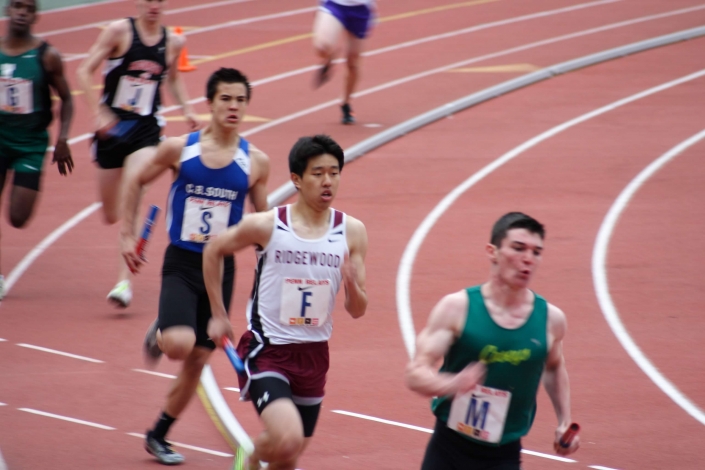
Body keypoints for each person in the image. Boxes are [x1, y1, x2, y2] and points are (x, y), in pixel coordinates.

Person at [120, 68, 269, 465]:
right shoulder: (179, 149)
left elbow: (263, 221)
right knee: (180, 345)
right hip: (183, 262)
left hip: (222, 269)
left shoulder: (255, 161)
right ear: (211, 103)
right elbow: (136, 179)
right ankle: (164, 330)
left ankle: (158, 434)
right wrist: (126, 236)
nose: (234, 106)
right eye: (226, 99)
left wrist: (271, 261)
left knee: (199, 360)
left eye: (240, 99)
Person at [202, 135, 368, 470]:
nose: (327, 181)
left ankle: (255, 457)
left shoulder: (351, 231)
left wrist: (351, 284)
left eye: (334, 173)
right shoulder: (268, 225)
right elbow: (213, 250)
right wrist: (218, 314)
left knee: (289, 453)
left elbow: (358, 309)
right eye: (318, 173)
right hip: (268, 349)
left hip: (314, 354)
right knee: (287, 438)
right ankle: (249, 458)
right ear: (296, 179)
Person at [405, 212, 579, 470]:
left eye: (536, 252)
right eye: (518, 249)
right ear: (492, 251)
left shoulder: (551, 320)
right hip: (449, 449)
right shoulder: (457, 308)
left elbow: (553, 367)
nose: (527, 260)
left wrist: (564, 421)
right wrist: (452, 384)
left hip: (504, 455)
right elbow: (415, 374)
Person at [77, 0, 199, 308]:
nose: (154, 6)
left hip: (146, 130)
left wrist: (187, 109)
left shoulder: (173, 40)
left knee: (135, 189)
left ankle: (122, 283)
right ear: (138, 3)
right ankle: (125, 228)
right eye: (148, 0)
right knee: (111, 213)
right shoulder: (119, 32)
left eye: (160, 0)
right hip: (113, 130)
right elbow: (83, 71)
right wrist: (99, 113)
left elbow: (172, 76)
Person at [0, 0, 74, 299]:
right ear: (8, 11)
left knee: (18, 217)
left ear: (35, 16)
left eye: (28, 8)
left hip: (30, 145)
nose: (21, 12)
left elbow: (67, 99)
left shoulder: (47, 56)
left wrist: (64, 138)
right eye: (16, 6)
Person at [312, 0, 376, 125]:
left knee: (353, 63)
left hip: (360, 8)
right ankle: (330, 58)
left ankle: (345, 103)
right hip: (335, 4)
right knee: (321, 47)